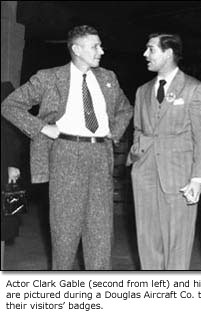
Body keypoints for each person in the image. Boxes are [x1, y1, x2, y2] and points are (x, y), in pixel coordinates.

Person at [1, 25, 133, 270]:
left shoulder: (108, 78)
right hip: (66, 153)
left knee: (101, 233)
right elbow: (10, 105)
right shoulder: (50, 77)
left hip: (100, 154)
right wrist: (41, 127)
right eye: (95, 46)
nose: (101, 51)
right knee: (65, 233)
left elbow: (125, 108)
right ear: (76, 49)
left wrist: (113, 132)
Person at [127, 33, 201, 270]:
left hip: (179, 177)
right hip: (144, 175)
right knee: (147, 240)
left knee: (178, 243)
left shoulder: (195, 89)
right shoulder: (142, 91)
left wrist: (197, 179)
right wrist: (137, 157)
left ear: (168, 53)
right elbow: (138, 129)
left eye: (151, 49)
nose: (145, 54)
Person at [1, 82, 23, 270]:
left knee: (4, 219)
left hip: (4, 166)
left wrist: (13, 164)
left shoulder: (5, 90)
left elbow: (13, 133)